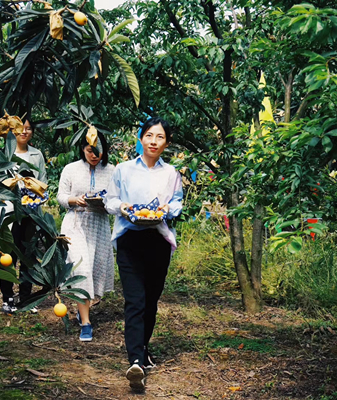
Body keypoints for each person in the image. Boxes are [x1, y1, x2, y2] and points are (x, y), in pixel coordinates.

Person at [105, 117, 183, 392]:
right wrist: (124, 207)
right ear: (141, 138)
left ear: (166, 143)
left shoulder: (171, 173)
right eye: (149, 135)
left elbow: (177, 203)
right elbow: (110, 200)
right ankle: (135, 360)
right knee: (135, 300)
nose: (153, 141)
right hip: (129, 238)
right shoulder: (123, 170)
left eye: (159, 137)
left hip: (158, 239)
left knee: (151, 300)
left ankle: (143, 347)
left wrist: (166, 211)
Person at [57, 130, 115, 341]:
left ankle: (84, 311)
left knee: (94, 270)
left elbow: (116, 201)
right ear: (83, 149)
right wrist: (75, 200)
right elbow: (61, 197)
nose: (95, 155)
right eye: (91, 150)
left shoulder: (111, 171)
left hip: (98, 225)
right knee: (81, 268)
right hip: (75, 223)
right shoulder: (71, 169)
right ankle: (86, 323)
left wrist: (106, 205)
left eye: (99, 151)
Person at [0, 119, 47, 313]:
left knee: (28, 254)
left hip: (32, 212)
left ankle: (26, 297)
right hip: (10, 212)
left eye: (28, 128)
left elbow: (43, 182)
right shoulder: (4, 154)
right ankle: (7, 297)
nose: (24, 131)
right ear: (12, 130)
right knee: (8, 256)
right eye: (20, 128)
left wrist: (37, 197)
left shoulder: (36, 155)